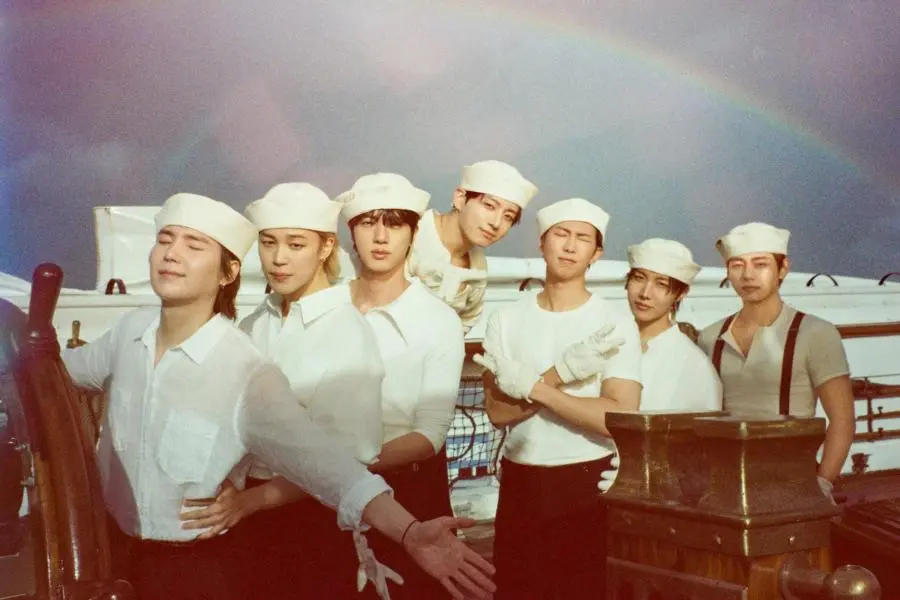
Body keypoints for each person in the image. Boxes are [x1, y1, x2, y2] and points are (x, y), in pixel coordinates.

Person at [60, 193, 494, 600]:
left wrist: (408, 531)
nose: (171, 254)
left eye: (194, 245)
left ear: (228, 272)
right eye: (164, 239)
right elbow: (60, 374)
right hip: (115, 551)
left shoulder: (246, 368)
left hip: (212, 559)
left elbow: (334, 464)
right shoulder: (132, 333)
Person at [180, 183, 385, 598]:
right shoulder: (254, 324)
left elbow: (346, 459)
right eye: (268, 242)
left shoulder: (348, 332)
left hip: (312, 525)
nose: (278, 258)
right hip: (247, 519)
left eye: (296, 244)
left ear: (326, 248)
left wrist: (250, 502)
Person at [476, 197, 642, 600]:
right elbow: (497, 412)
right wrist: (562, 374)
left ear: (596, 253)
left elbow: (618, 415)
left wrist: (534, 387)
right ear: (541, 243)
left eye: (582, 238)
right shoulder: (505, 319)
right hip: (520, 481)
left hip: (586, 480)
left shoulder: (614, 322)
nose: (569, 246)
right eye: (560, 234)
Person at [337, 173, 467, 599]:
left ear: (412, 234)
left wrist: (346, 465)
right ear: (351, 232)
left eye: (394, 224)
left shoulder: (438, 320)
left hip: (409, 493)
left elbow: (431, 433)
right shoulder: (324, 309)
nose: (380, 236)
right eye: (367, 222)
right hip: (327, 493)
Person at [697, 222, 854, 498]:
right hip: (726, 483)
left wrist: (823, 483)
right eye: (737, 265)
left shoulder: (815, 333)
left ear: (783, 269)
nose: (748, 275)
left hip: (793, 482)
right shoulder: (711, 337)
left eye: (761, 264)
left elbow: (843, 420)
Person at [597, 238, 722, 492]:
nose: (645, 293)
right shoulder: (605, 341)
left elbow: (700, 455)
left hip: (645, 491)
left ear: (681, 293)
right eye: (639, 278)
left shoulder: (695, 367)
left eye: (661, 284)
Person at [406, 160, 537, 332]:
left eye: (508, 216)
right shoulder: (410, 234)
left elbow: (465, 322)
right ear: (460, 198)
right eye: (489, 206)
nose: (496, 223)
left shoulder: (478, 267)